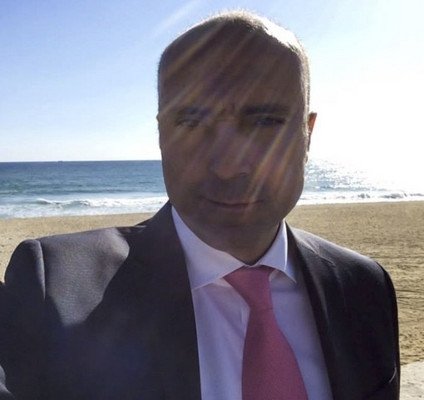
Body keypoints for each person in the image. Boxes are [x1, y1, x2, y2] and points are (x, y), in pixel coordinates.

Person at [0, 10, 399, 400]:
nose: (228, 166)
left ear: (307, 135)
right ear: (162, 135)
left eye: (264, 122)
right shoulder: (55, 287)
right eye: (191, 123)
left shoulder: (363, 288)